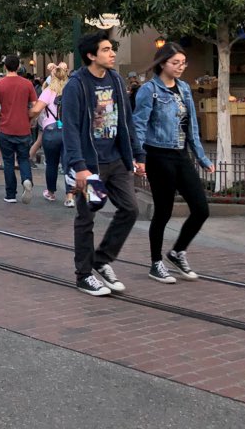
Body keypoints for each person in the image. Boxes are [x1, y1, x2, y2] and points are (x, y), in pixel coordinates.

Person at [62, 31, 141, 297]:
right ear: (91, 55)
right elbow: (70, 129)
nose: (112, 53)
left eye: (112, 49)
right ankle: (84, 275)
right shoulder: (76, 85)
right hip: (91, 165)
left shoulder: (116, 80)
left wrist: (137, 155)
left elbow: (126, 119)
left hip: (116, 161)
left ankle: (101, 259)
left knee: (130, 209)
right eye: (106, 49)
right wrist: (79, 166)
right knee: (87, 217)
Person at [133, 42, 213, 283]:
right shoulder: (150, 90)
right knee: (163, 211)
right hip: (158, 155)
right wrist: (139, 157)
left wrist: (201, 156)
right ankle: (156, 262)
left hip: (181, 154)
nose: (180, 67)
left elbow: (192, 127)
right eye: (175, 63)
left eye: (183, 63)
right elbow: (139, 124)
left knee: (201, 209)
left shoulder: (185, 88)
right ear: (162, 63)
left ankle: (177, 251)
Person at [0, 55, 38, 204]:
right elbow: (35, 105)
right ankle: (27, 180)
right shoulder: (27, 84)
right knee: (24, 158)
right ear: (18, 67)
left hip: (5, 128)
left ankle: (10, 194)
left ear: (5, 66)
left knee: (8, 161)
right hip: (23, 128)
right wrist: (30, 119)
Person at [29, 63, 69, 204]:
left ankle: (51, 192)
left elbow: (35, 110)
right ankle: (70, 196)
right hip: (68, 131)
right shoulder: (71, 91)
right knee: (68, 164)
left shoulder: (48, 92)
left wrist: (30, 117)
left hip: (51, 131)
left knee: (51, 163)